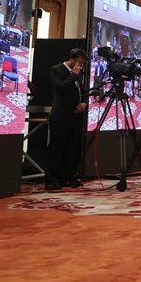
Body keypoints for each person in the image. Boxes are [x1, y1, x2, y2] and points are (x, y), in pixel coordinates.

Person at [44, 48, 88, 191]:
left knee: (70, 149)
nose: (81, 66)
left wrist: (84, 103)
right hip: (60, 116)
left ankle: (65, 177)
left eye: (83, 64)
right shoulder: (56, 70)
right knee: (56, 148)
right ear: (72, 58)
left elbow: (82, 92)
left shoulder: (77, 74)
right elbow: (61, 88)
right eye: (79, 62)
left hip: (74, 117)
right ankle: (50, 179)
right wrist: (74, 75)